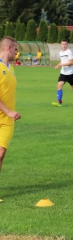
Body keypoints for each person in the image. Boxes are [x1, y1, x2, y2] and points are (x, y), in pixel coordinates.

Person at [0, 36, 21, 174]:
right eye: (15, 49)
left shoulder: (11, 68)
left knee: (0, 154)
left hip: (7, 121)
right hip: (6, 114)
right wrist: (8, 111)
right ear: (8, 48)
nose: (16, 52)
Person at [52, 39, 73, 107]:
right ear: (61, 45)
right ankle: (59, 102)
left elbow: (71, 62)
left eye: (65, 44)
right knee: (59, 85)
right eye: (63, 44)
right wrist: (58, 65)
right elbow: (62, 62)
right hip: (63, 73)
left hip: (70, 73)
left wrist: (62, 65)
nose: (64, 45)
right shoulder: (60, 53)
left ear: (67, 45)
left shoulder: (69, 52)